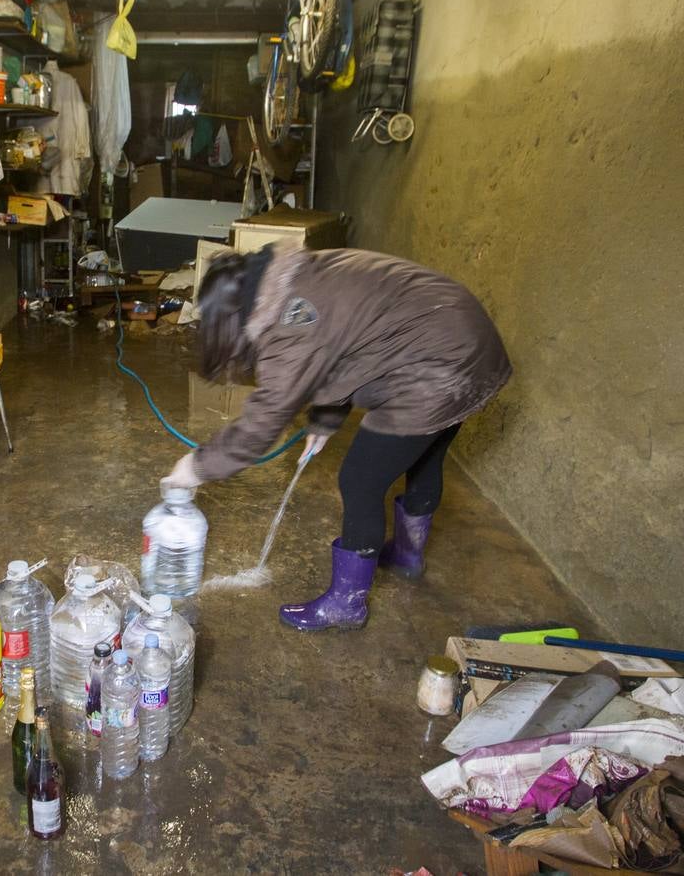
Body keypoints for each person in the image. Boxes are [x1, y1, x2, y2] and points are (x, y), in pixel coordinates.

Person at [165, 245, 511, 631]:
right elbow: (347, 343)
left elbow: (262, 422)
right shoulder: (300, 273)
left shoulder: (289, 322)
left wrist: (196, 467)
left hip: (438, 366)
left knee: (360, 480)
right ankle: (406, 556)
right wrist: (325, 421)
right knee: (425, 456)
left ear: (231, 320)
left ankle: (346, 606)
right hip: (468, 342)